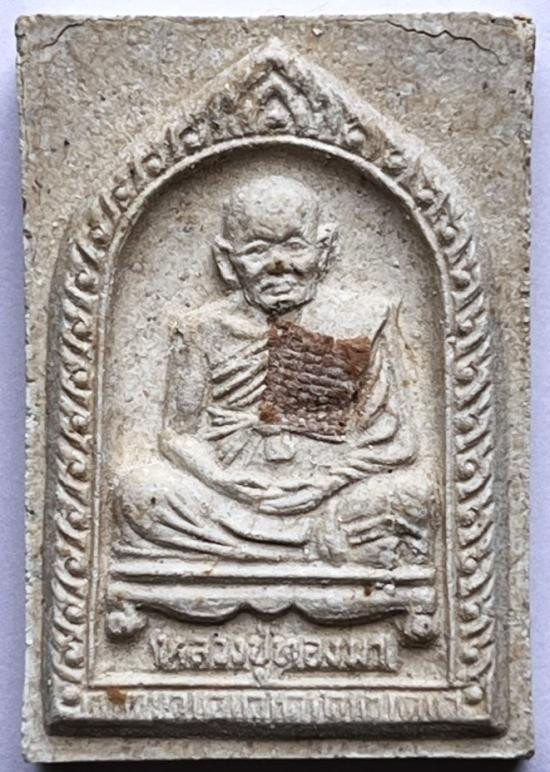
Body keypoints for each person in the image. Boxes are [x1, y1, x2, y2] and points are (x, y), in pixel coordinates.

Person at [113, 175, 431, 566]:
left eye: (295, 246)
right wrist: (222, 480)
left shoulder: (362, 317)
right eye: (257, 249)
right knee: (140, 492)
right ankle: (310, 548)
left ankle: (266, 550)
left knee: (413, 496)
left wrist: (325, 484)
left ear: (324, 249)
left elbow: (397, 442)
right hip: (228, 497)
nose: (279, 265)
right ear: (227, 260)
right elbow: (178, 435)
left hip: (332, 496)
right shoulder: (202, 329)